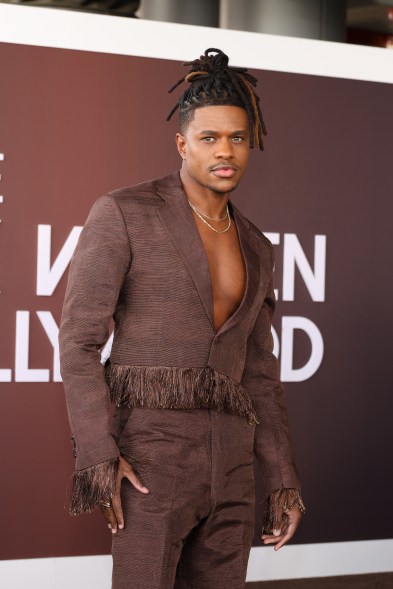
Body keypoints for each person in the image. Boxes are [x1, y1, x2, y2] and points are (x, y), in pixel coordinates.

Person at [59, 48, 305, 589]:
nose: (225, 151)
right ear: (182, 143)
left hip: (233, 470)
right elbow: (77, 342)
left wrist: (282, 479)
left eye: (237, 138)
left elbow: (260, 374)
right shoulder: (124, 213)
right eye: (209, 138)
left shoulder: (258, 247)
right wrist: (100, 454)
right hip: (150, 463)